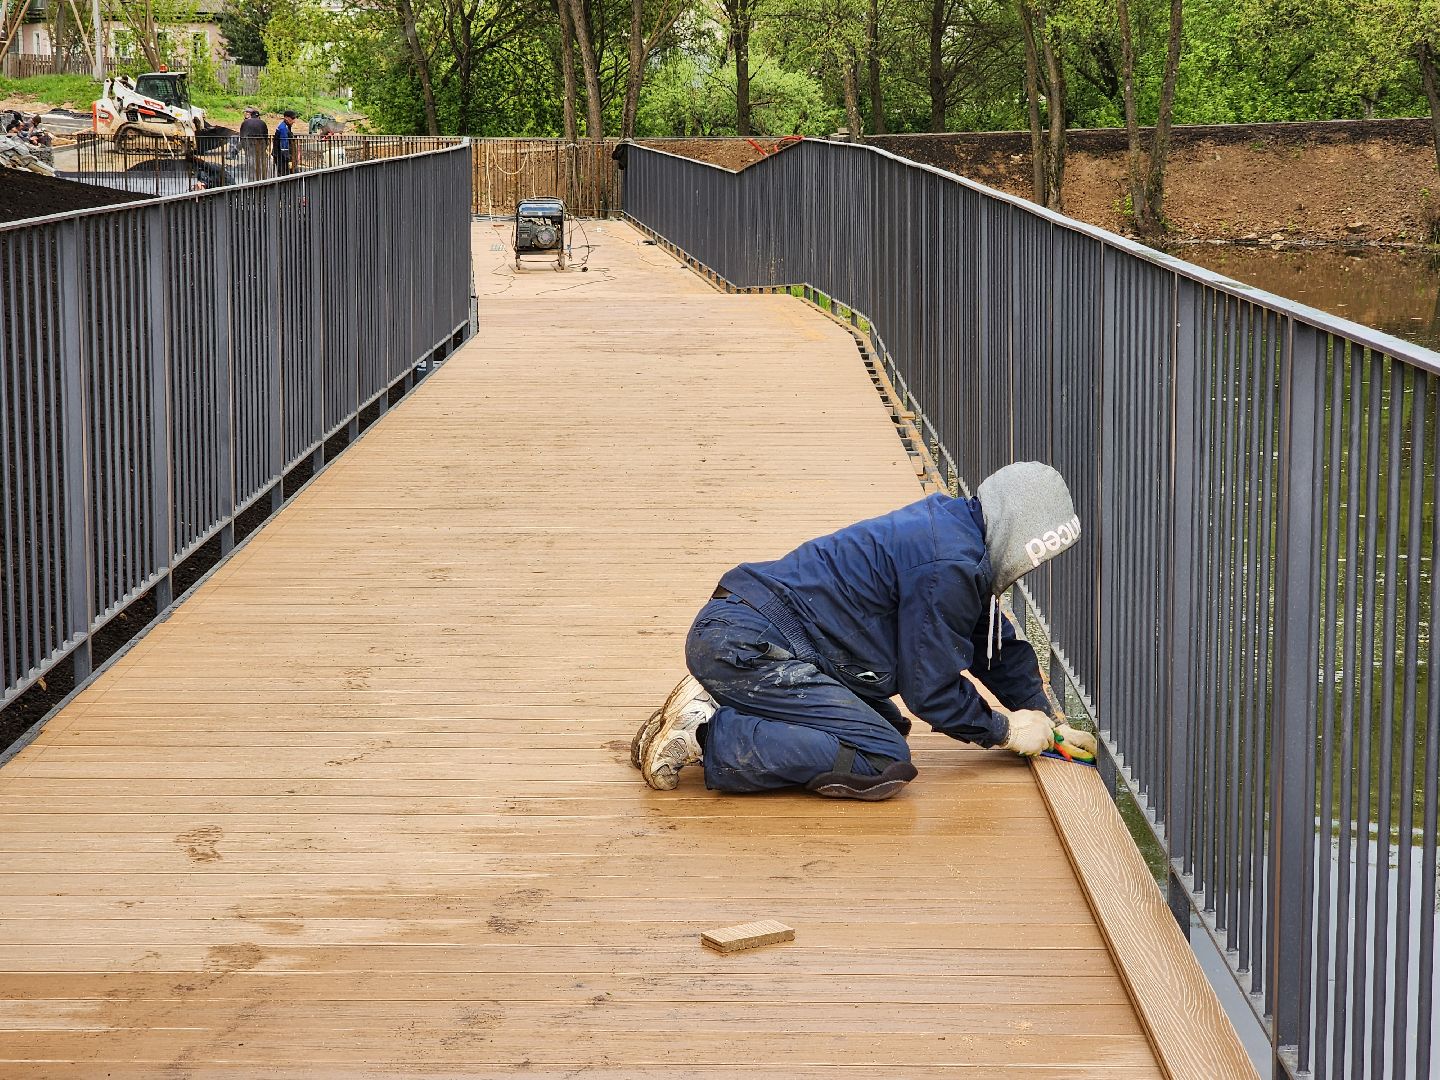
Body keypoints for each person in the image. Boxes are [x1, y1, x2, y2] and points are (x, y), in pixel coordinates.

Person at [633, 461, 1096, 801]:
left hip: (751, 634)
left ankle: (722, 696)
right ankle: (706, 733)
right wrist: (1004, 730)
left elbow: (991, 644)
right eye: (1035, 558)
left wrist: (1044, 720)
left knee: (887, 723)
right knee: (879, 757)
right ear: (1020, 536)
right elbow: (929, 689)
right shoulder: (948, 566)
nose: (1030, 569)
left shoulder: (956, 536)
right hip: (748, 644)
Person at [238, 106, 268, 181]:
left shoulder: (245, 122)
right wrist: (265, 147)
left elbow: (242, 135)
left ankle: (251, 180)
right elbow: (265, 135)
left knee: (251, 161)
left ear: (251, 115)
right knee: (260, 162)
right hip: (260, 143)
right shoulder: (262, 122)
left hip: (249, 143)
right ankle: (261, 178)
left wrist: (243, 146)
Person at [272, 110, 297, 176]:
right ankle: (284, 186)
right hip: (281, 156)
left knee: (285, 173)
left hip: (280, 155)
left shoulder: (285, 126)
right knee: (284, 174)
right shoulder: (283, 128)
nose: (294, 121)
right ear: (286, 118)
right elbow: (284, 145)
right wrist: (288, 158)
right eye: (292, 118)